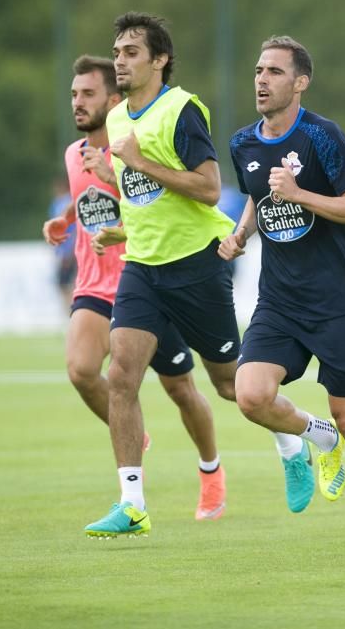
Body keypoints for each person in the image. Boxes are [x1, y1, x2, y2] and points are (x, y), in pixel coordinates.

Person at [219, 36, 345, 556]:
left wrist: (300, 195)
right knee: (250, 395)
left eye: (274, 71)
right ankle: (318, 438)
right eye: (258, 70)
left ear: (300, 82)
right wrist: (241, 234)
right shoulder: (243, 144)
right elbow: (258, 196)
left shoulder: (323, 137)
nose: (261, 80)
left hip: (337, 302)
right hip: (278, 302)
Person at [42, 54, 227, 531]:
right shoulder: (72, 154)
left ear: (113, 99)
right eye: (73, 94)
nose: (78, 103)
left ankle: (211, 470)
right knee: (83, 370)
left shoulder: (135, 146)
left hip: (145, 274)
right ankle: (131, 463)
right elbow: (89, 201)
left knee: (182, 389)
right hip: (94, 287)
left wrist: (115, 191)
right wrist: (63, 221)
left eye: (87, 94)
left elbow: (154, 208)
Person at [81, 12, 242, 538]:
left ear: (159, 60)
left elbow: (209, 189)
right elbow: (143, 200)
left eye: (130, 52)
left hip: (197, 264)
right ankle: (132, 504)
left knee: (229, 384)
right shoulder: (118, 119)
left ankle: (296, 437)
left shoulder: (181, 110)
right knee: (121, 377)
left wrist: (140, 163)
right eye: (117, 51)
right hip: (143, 268)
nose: (120, 61)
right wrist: (121, 230)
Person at [48, 177, 77, 309]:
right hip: (65, 250)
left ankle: (73, 312)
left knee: (66, 284)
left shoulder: (65, 203)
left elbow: (73, 229)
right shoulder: (59, 203)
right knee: (66, 284)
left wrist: (68, 252)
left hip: (69, 251)